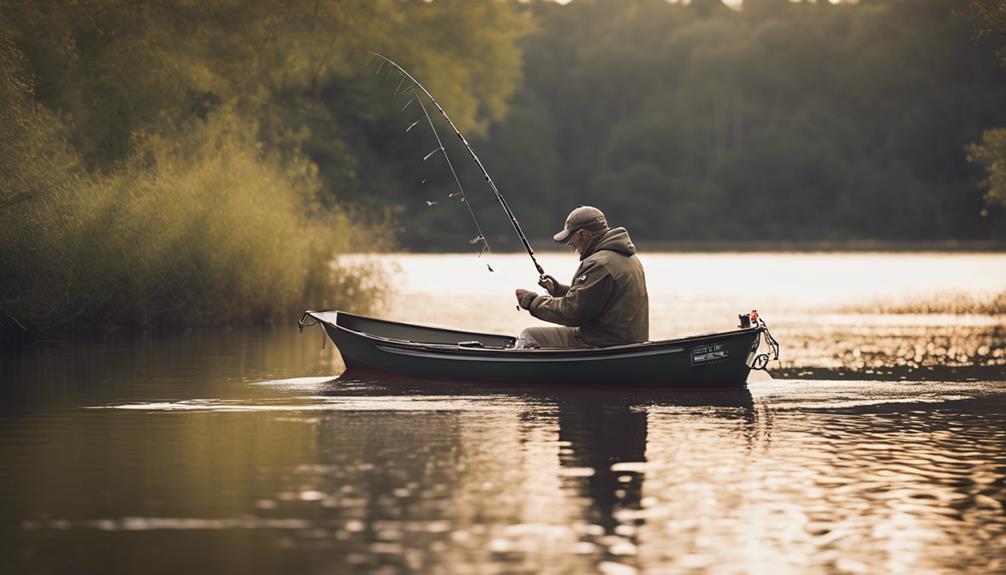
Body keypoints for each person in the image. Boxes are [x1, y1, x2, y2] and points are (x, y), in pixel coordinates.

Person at [515, 206, 649, 348]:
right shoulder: (627, 257)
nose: (569, 243)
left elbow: (572, 313)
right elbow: (596, 299)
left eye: (570, 237)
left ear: (583, 234)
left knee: (530, 335)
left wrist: (532, 302)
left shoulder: (599, 264)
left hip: (601, 343)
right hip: (625, 341)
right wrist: (559, 290)